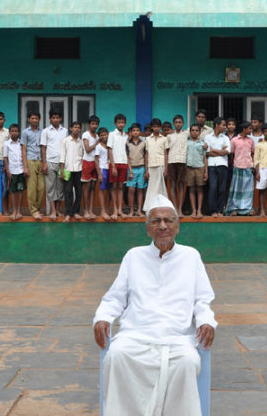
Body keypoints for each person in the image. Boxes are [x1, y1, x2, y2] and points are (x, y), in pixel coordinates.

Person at [93, 194, 217, 416]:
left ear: (177, 226)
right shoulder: (134, 256)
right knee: (117, 355)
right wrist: (102, 317)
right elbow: (114, 298)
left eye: (168, 221)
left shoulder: (191, 257)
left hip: (177, 337)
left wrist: (207, 320)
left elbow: (202, 299)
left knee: (188, 362)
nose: (162, 226)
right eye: (156, 221)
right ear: (147, 228)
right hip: (136, 335)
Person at [41, 110, 68, 220]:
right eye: (53, 118)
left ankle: (58, 209)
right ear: (50, 119)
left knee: (61, 187)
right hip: (50, 162)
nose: (55, 120)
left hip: (63, 163)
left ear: (61, 118)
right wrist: (44, 163)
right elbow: (43, 148)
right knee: (50, 187)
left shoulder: (65, 131)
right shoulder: (46, 131)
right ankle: (52, 211)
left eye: (57, 117)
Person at [225, 122, 255, 216]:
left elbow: (253, 153)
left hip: (248, 167)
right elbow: (231, 154)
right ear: (244, 129)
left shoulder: (251, 140)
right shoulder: (234, 140)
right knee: (237, 190)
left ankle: (247, 209)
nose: (250, 130)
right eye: (249, 128)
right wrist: (234, 164)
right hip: (237, 167)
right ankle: (234, 209)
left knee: (248, 190)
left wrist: (253, 165)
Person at [142, 118, 170, 214]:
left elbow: (166, 154)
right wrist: (146, 170)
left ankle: (163, 207)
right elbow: (146, 154)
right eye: (154, 126)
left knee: (161, 187)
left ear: (160, 127)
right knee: (151, 187)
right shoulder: (148, 139)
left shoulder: (164, 139)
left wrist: (166, 169)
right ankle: (149, 208)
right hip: (151, 165)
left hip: (161, 165)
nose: (156, 128)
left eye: (158, 126)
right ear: (152, 128)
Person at [205, 117, 230, 217]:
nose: (225, 127)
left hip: (223, 165)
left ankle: (220, 210)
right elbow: (207, 152)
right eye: (223, 125)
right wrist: (221, 152)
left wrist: (214, 150)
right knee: (213, 188)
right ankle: (213, 211)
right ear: (217, 125)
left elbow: (227, 152)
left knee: (222, 189)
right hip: (211, 165)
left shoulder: (225, 138)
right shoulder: (208, 137)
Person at [60, 121, 85, 222]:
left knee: (79, 192)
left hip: (79, 169)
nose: (77, 129)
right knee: (68, 191)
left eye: (78, 128)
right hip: (67, 169)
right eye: (75, 127)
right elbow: (62, 156)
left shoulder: (81, 142)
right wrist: (62, 170)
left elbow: (83, 156)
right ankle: (68, 213)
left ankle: (76, 212)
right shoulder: (65, 141)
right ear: (71, 128)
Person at [21, 111, 44, 220]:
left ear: (39, 120)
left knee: (41, 188)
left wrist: (44, 163)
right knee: (31, 188)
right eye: (32, 118)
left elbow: (43, 148)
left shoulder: (42, 132)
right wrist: (25, 166)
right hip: (30, 160)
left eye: (36, 118)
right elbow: (24, 149)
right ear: (29, 119)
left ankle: (37, 209)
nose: (34, 120)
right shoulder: (25, 132)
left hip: (40, 161)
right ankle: (33, 211)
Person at [107, 114, 129, 219]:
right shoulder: (112, 134)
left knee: (121, 187)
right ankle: (114, 210)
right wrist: (113, 166)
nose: (121, 124)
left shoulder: (126, 136)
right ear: (115, 123)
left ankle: (120, 210)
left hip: (124, 163)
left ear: (125, 123)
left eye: (123, 122)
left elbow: (127, 152)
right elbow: (109, 150)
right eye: (119, 122)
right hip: (115, 164)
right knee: (114, 187)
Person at [166, 115, 188, 215]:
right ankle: (174, 208)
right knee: (173, 185)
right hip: (171, 161)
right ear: (173, 124)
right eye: (176, 122)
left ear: (183, 123)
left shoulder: (187, 134)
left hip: (182, 161)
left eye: (180, 122)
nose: (178, 124)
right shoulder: (169, 136)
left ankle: (180, 208)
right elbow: (166, 150)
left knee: (181, 185)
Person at [3, 124, 26, 220]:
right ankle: (14, 211)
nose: (14, 133)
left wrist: (25, 168)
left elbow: (24, 155)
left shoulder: (22, 143)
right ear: (9, 132)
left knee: (20, 190)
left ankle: (19, 211)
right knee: (12, 191)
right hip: (12, 171)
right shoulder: (7, 144)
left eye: (16, 131)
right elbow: (5, 158)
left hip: (21, 171)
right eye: (12, 131)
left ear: (19, 132)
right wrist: (8, 171)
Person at [125, 123, 148, 218]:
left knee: (140, 190)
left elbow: (146, 157)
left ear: (140, 132)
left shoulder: (144, 142)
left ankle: (139, 210)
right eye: (133, 130)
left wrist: (146, 171)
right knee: (131, 190)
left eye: (137, 130)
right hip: (131, 169)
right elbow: (127, 157)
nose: (135, 132)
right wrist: (130, 171)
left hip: (142, 168)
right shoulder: (127, 143)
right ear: (131, 132)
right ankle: (131, 211)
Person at [186, 124, 208, 219]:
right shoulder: (187, 143)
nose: (194, 132)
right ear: (190, 132)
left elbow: (205, 158)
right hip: (189, 167)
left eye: (196, 130)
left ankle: (199, 210)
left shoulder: (203, 144)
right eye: (192, 130)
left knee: (200, 189)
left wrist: (206, 171)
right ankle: (193, 210)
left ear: (199, 132)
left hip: (200, 167)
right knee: (191, 189)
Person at [81, 115, 101, 220]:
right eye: (93, 124)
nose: (94, 126)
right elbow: (87, 149)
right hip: (87, 162)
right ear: (89, 124)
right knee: (87, 188)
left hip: (95, 163)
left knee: (93, 188)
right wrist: (97, 143)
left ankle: (91, 210)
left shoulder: (97, 136)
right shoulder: (85, 134)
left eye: (96, 124)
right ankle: (85, 211)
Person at [95, 127, 112, 220]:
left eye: (105, 134)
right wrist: (99, 174)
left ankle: (107, 208)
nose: (104, 136)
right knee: (102, 190)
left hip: (110, 169)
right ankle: (102, 211)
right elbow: (96, 160)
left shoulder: (110, 145)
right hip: (103, 169)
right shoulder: (98, 147)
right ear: (99, 137)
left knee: (110, 190)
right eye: (101, 135)